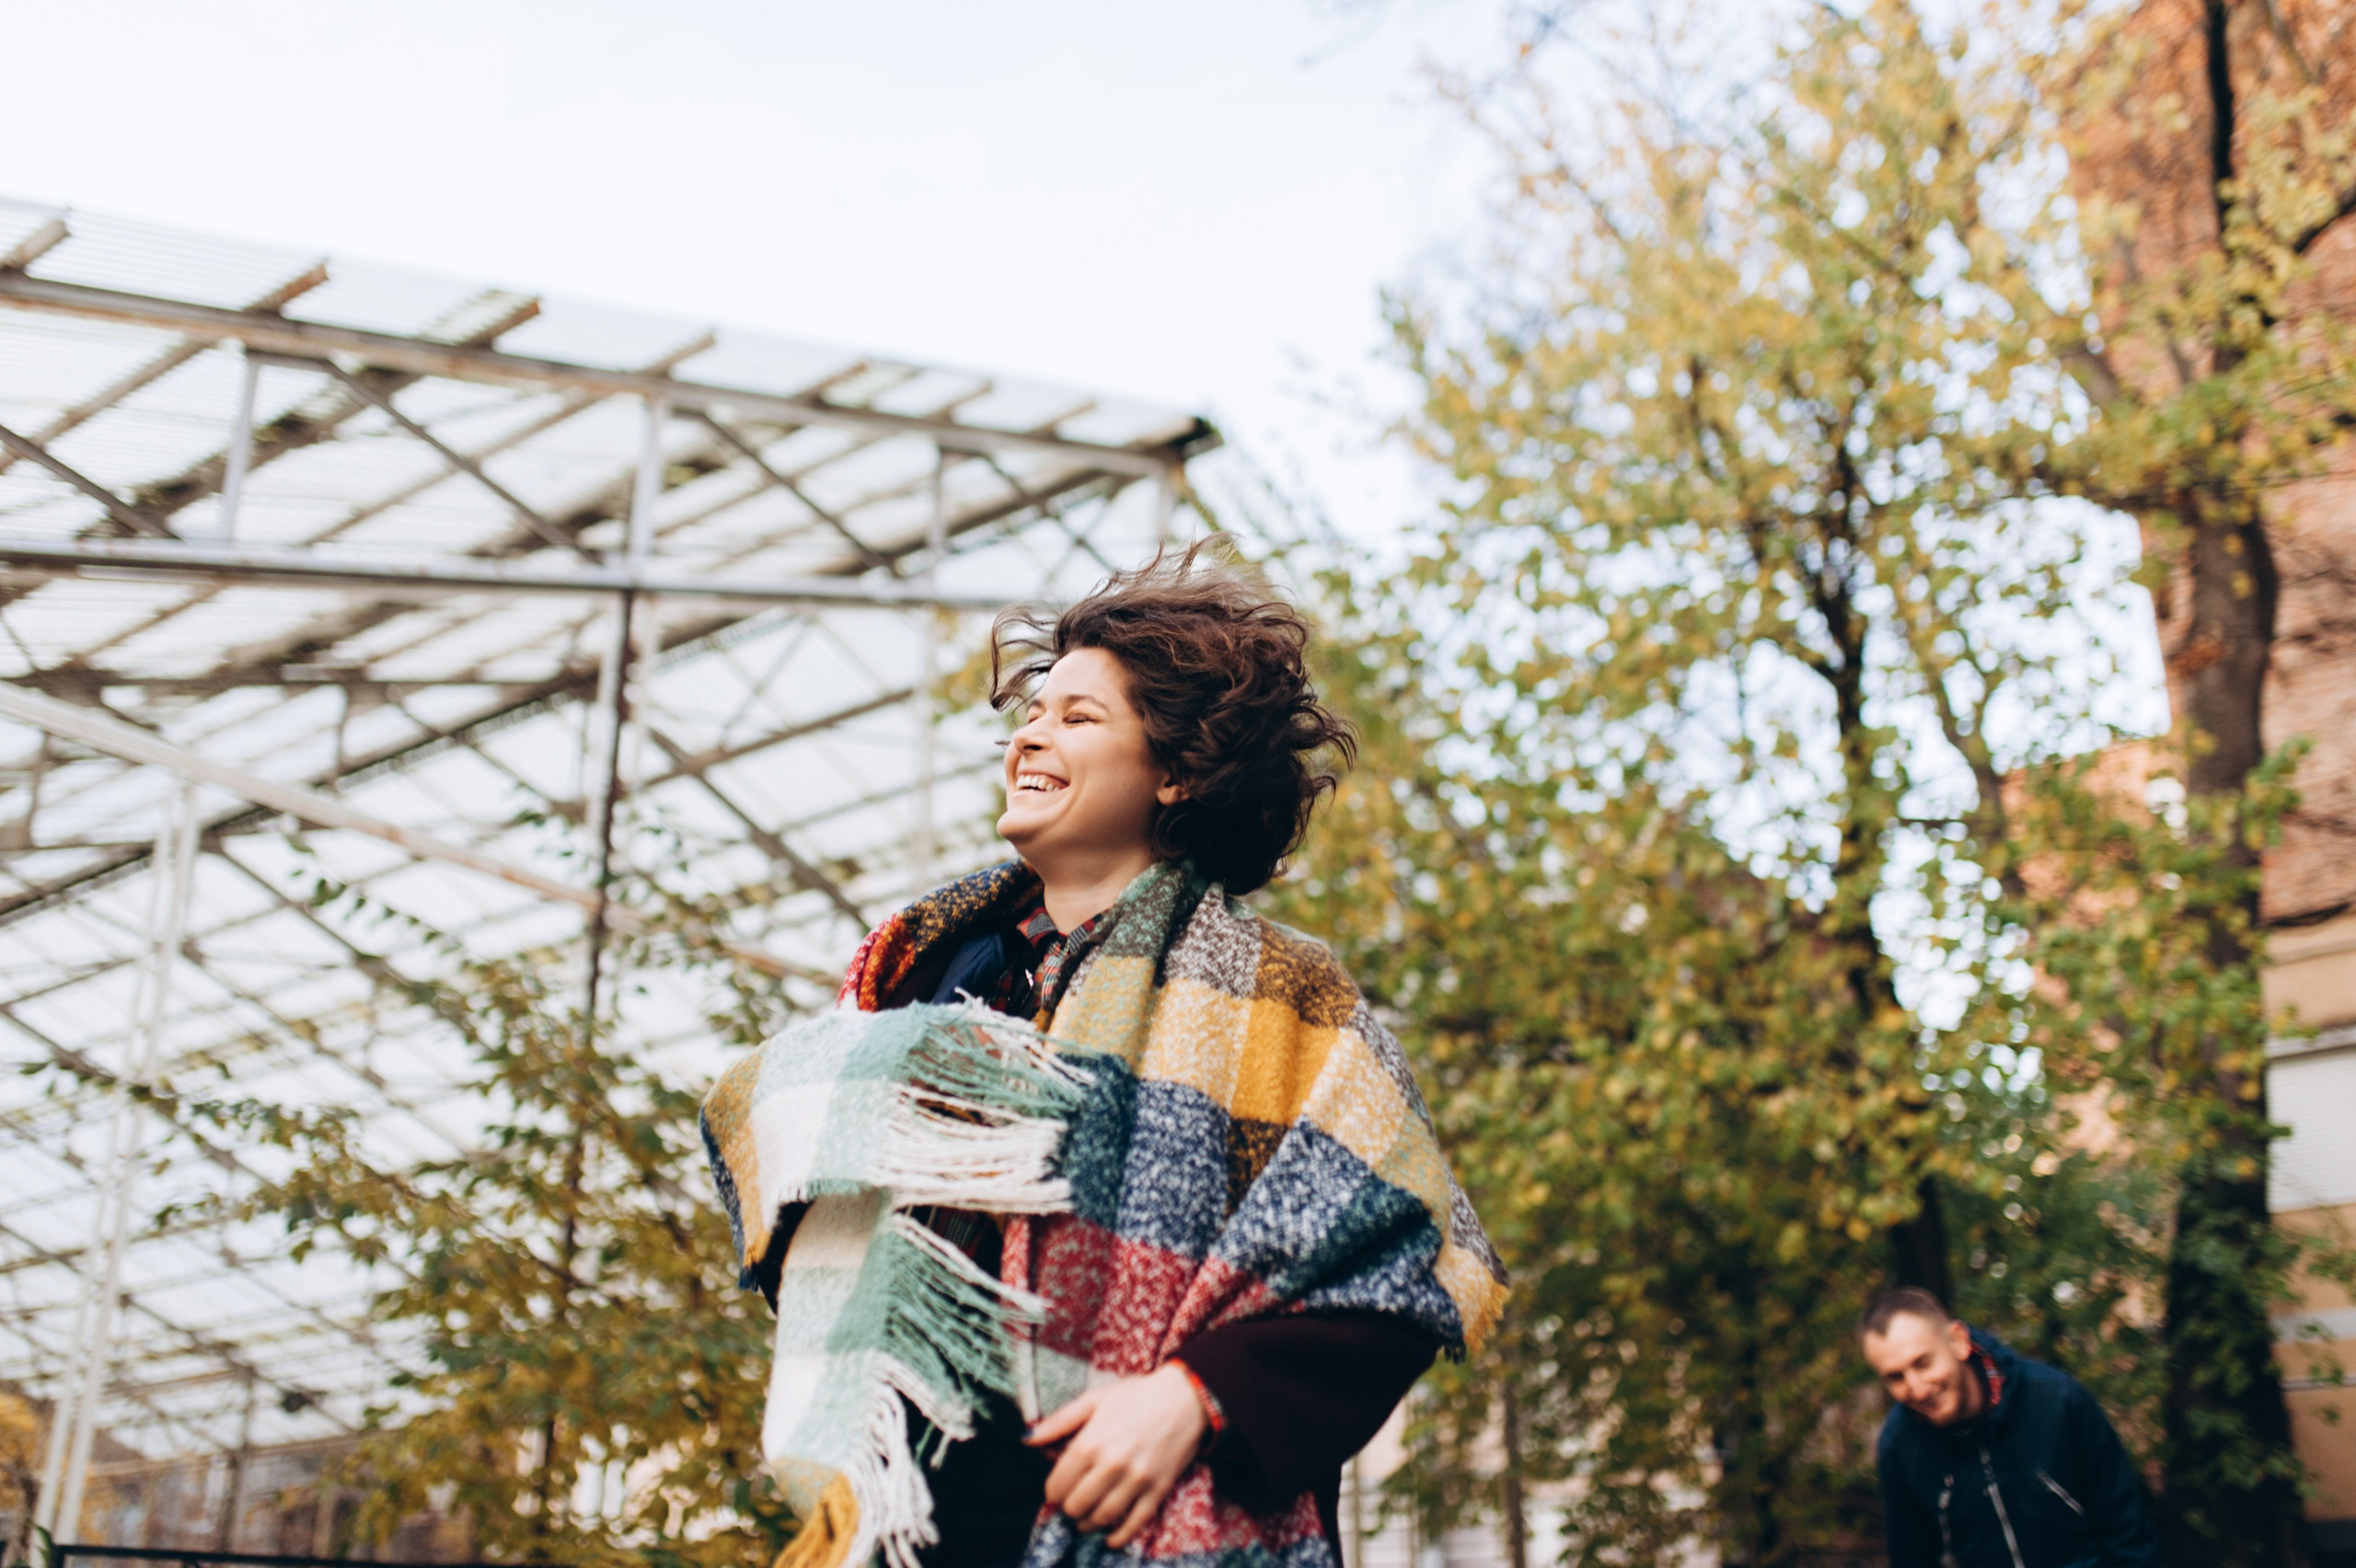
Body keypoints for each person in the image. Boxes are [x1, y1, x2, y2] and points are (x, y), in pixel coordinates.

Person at [743, 546, 1507, 1568]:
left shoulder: (1280, 994)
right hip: (905, 1522)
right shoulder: (917, 972)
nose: (1032, 734)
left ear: (1179, 773)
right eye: (1032, 712)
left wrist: (1202, 1399)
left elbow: (1404, 1255)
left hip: (1135, 1520)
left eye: (1077, 716)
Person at [1862, 1287, 2159, 1568]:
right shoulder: (1900, 1448)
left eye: (1923, 1363)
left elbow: (2127, 1535)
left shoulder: (2058, 1402)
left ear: (1957, 1341)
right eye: (1895, 1377)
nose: (1917, 1388)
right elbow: (1913, 1560)